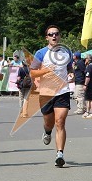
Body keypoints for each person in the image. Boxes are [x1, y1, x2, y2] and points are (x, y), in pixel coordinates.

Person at [30, 25, 73, 168]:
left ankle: (59, 154)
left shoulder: (67, 52)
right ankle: (47, 132)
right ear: (46, 37)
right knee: (49, 122)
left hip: (63, 91)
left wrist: (71, 73)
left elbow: (69, 67)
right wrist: (45, 71)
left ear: (60, 36)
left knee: (60, 122)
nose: (54, 36)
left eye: (56, 34)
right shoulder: (41, 53)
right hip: (46, 93)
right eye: (51, 34)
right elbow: (33, 72)